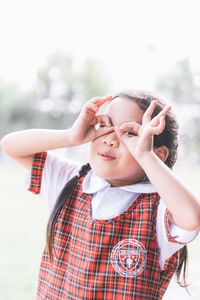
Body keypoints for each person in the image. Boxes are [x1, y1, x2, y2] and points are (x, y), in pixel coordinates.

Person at [1, 90, 200, 299]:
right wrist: (70, 136)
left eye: (130, 133)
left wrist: (145, 155)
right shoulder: (70, 180)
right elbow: (11, 146)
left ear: (157, 154)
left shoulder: (159, 208)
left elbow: (192, 217)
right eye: (105, 126)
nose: (111, 140)